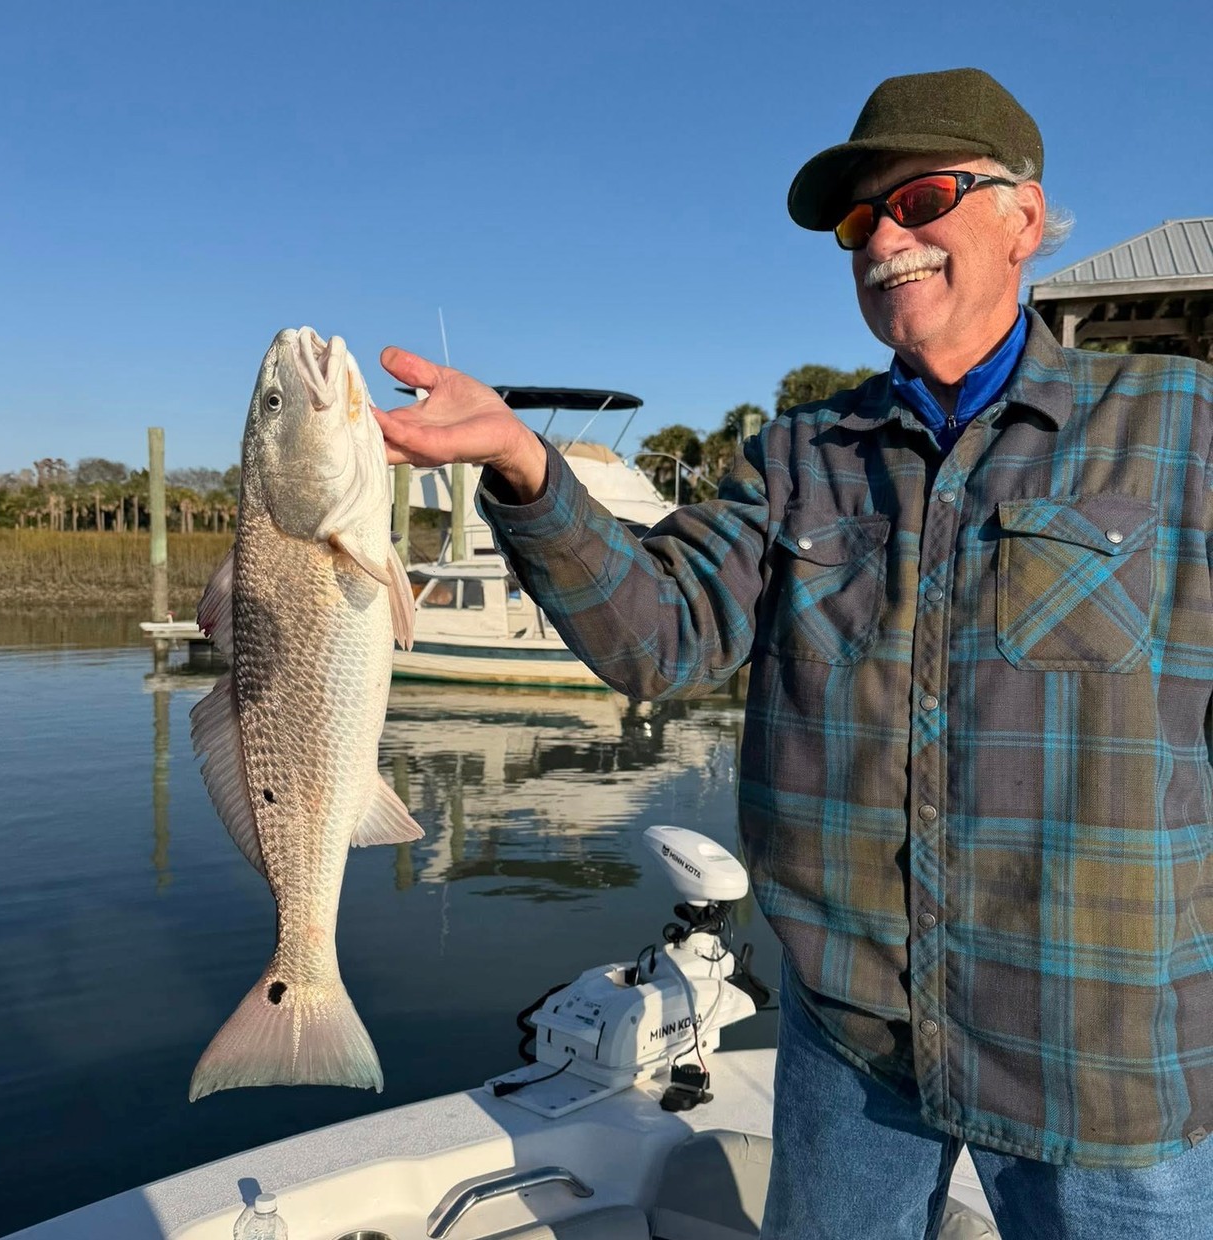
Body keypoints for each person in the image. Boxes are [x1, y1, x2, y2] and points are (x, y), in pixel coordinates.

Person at [374, 68, 1213, 1240]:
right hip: (853, 1040)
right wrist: (523, 465)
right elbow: (660, 638)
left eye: (920, 199)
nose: (885, 240)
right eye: (858, 221)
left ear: (1022, 217)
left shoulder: (1180, 425)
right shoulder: (795, 457)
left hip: (1107, 1056)